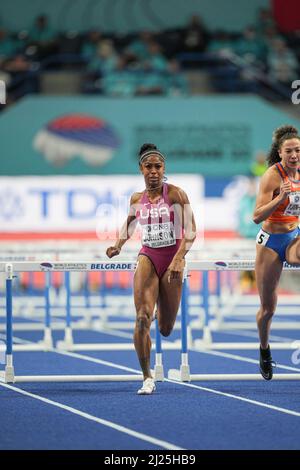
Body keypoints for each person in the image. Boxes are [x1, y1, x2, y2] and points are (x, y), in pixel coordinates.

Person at [106, 143, 196, 394]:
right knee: (142, 317)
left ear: (164, 168)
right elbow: (130, 223)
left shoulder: (177, 194)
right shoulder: (137, 199)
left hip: (173, 259)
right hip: (148, 255)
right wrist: (118, 245)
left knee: (165, 329)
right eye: (149, 167)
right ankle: (147, 377)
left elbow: (191, 231)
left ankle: (160, 309)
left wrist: (180, 258)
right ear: (141, 169)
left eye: (158, 166)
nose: (154, 171)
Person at [253, 125, 300, 380]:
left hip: (294, 236)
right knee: (268, 309)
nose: (294, 155)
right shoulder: (272, 176)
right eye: (289, 151)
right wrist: (279, 199)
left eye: (298, 150)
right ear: (280, 153)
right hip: (270, 241)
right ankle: (264, 348)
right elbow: (256, 216)